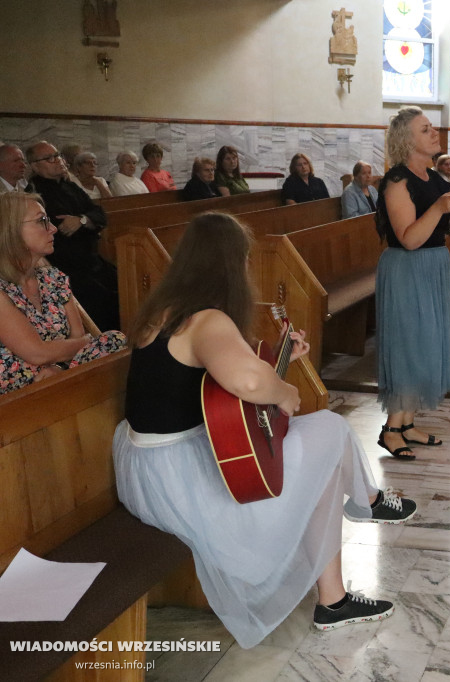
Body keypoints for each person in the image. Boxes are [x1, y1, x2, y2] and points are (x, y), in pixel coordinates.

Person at [114, 211, 416, 646]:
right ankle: (358, 521)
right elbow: (249, 382)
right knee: (329, 431)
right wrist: (284, 392)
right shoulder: (207, 319)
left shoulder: (161, 310)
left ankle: (355, 534)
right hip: (184, 476)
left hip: (148, 466)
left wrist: (281, 361)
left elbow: (205, 379)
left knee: (326, 452)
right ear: (234, 263)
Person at [375, 106, 450, 460]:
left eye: (432, 128)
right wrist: (438, 209)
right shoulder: (397, 181)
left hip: (433, 265)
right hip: (407, 268)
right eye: (425, 130)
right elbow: (408, 238)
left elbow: (439, 229)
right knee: (408, 343)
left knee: (427, 340)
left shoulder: (434, 176)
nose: (434, 133)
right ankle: (391, 429)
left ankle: (407, 422)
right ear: (407, 140)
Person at [0, 192, 125, 394]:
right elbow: (36, 352)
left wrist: (60, 368)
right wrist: (83, 343)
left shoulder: (52, 277)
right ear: (11, 230)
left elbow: (77, 334)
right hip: (15, 390)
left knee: (114, 340)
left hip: (58, 372)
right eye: (41, 221)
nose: (53, 228)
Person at [26, 141, 119, 330]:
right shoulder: (34, 194)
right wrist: (86, 222)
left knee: (124, 285)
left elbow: (99, 214)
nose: (57, 160)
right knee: (101, 303)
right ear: (35, 166)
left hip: (92, 260)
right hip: (67, 267)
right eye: (49, 158)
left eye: (58, 155)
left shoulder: (71, 186)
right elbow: (62, 227)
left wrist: (82, 220)